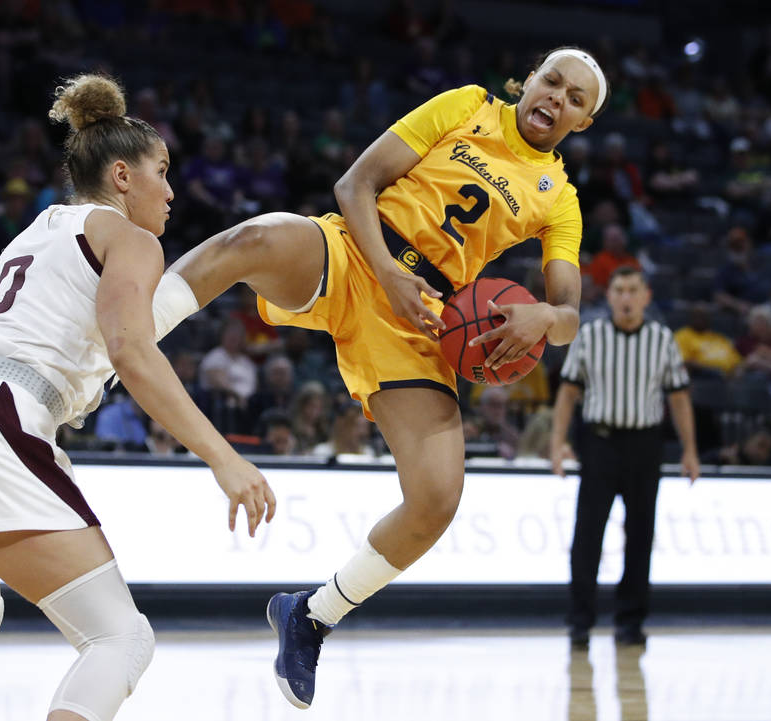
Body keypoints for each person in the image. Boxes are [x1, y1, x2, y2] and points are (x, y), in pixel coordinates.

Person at [150, 46, 607, 707]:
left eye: (576, 99)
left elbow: (569, 313)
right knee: (250, 242)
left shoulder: (559, 198)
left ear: (583, 122)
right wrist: (388, 272)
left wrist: (543, 316)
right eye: (553, 81)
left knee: (437, 498)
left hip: (424, 316)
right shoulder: (467, 106)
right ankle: (124, 337)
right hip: (359, 248)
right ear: (530, 77)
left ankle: (310, 615)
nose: (557, 98)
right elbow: (354, 184)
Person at [0, 73, 275, 721]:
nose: (172, 191)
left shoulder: (38, 229)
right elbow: (133, 351)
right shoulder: (133, 238)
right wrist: (223, 457)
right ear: (122, 175)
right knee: (121, 636)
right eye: (163, 172)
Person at [550, 267, 700, 649]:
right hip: (599, 445)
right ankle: (580, 623)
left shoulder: (662, 339)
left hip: (644, 446)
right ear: (610, 296)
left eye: (633, 290)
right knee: (587, 536)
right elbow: (568, 393)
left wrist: (690, 450)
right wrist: (557, 443)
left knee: (639, 538)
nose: (626, 297)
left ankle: (630, 623)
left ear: (646, 296)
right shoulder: (590, 336)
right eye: (619, 290)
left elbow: (679, 397)